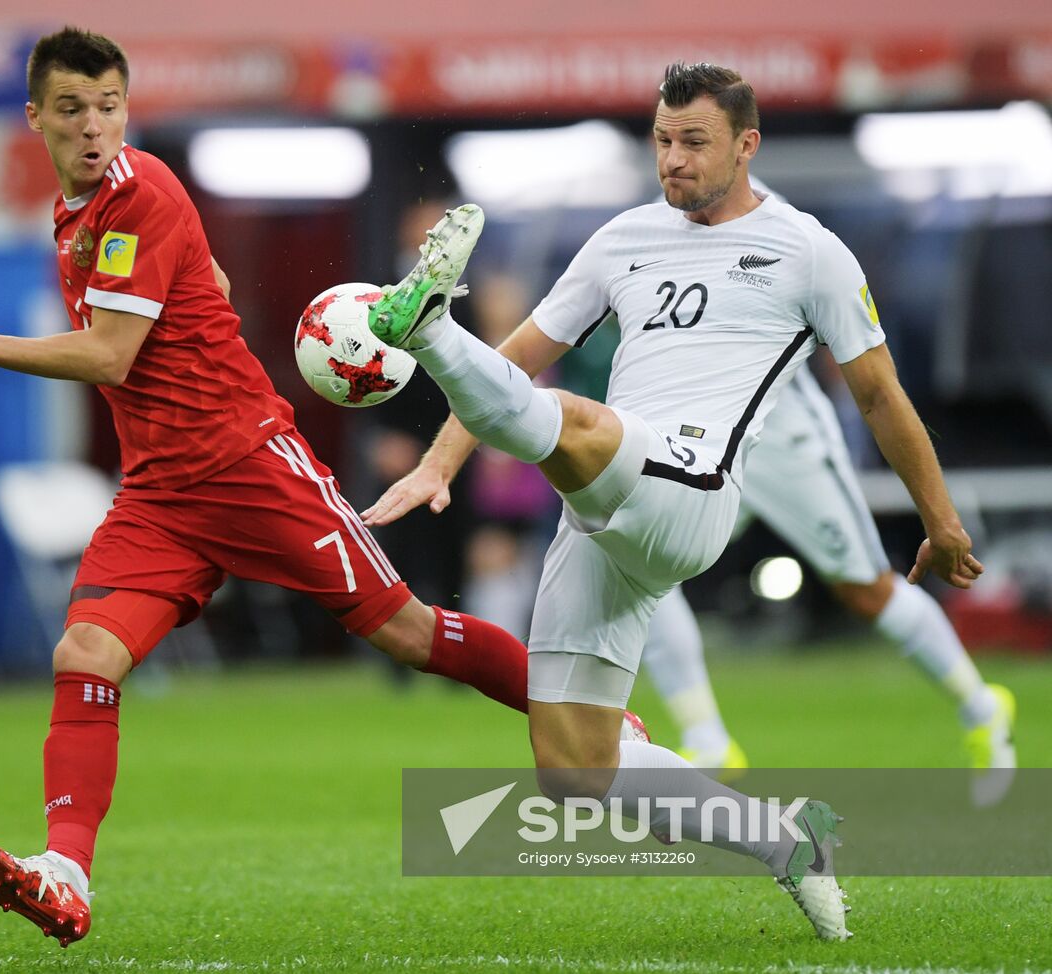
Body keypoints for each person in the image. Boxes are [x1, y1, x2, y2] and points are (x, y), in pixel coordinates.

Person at [0, 26, 547, 948]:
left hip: (247, 463)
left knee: (408, 633)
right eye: (72, 110)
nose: (94, 127)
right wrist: (196, 286)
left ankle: (591, 717)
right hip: (160, 492)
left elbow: (110, 351)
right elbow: (208, 284)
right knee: (85, 656)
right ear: (37, 119)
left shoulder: (140, 189)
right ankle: (64, 876)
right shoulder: (75, 216)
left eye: (109, 106)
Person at [364, 62, 984, 940]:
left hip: (690, 492)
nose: (674, 160)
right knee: (574, 771)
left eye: (694, 142)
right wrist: (439, 465)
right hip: (604, 515)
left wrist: (942, 522)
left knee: (579, 422)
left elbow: (881, 396)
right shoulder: (622, 238)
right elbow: (524, 355)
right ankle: (787, 842)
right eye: (662, 140)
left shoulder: (809, 249)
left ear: (746, 144)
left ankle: (429, 329)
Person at [639, 362, 1015, 805]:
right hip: (694, 432)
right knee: (647, 571)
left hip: (780, 434)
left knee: (867, 590)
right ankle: (707, 740)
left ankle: (981, 707)